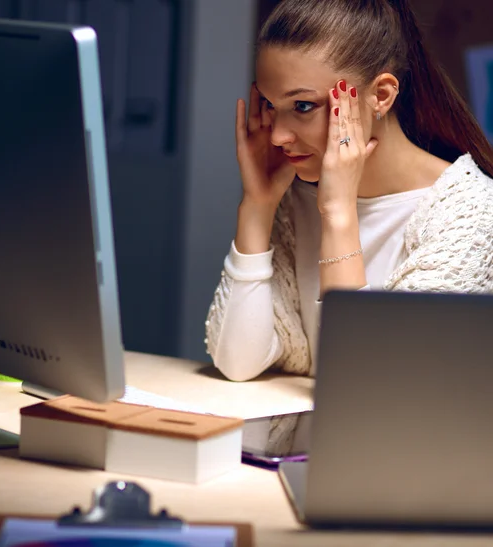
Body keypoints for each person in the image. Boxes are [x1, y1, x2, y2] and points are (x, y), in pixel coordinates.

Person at [205, 0, 493, 382]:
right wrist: (257, 206)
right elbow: (237, 363)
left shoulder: (471, 212)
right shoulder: (295, 199)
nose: (277, 135)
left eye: (303, 106)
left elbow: (361, 385)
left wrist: (339, 216)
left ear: (382, 96)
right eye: (272, 107)